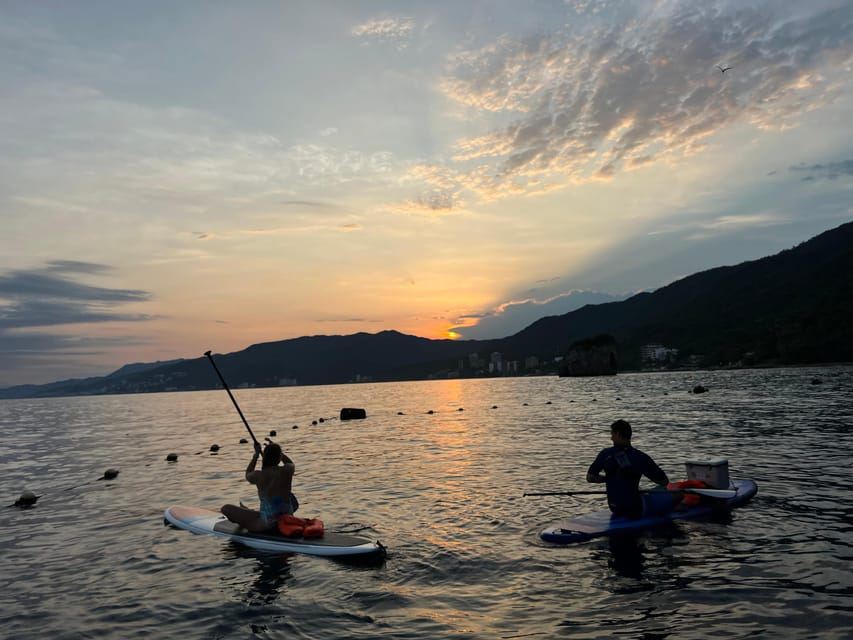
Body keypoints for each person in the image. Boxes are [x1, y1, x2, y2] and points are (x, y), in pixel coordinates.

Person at [586, 419, 675, 519]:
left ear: (618, 434)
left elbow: (590, 478)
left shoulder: (604, 454)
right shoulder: (640, 457)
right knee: (677, 494)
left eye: (612, 434)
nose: (611, 438)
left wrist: (609, 479)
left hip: (614, 508)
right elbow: (664, 481)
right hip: (634, 509)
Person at [221, 441, 297, 532]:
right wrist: (279, 453)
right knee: (289, 498)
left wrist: (256, 455)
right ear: (279, 457)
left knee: (225, 508)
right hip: (288, 517)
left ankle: (245, 519)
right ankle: (249, 512)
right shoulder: (287, 470)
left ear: (265, 458)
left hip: (268, 524)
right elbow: (290, 463)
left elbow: (248, 474)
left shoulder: (259, 475)